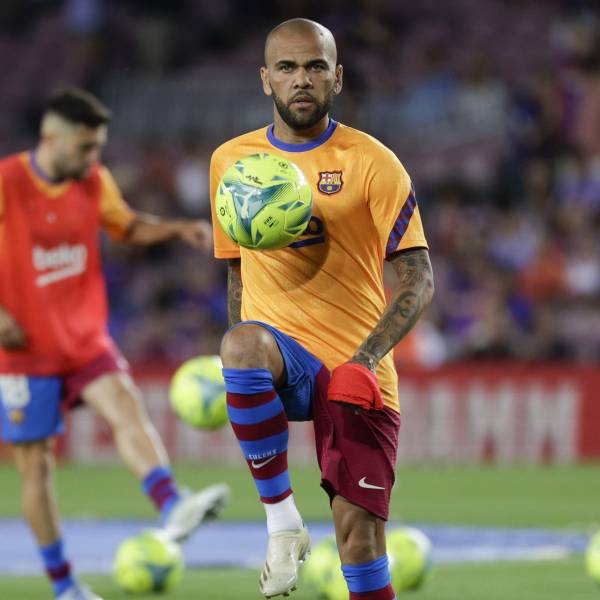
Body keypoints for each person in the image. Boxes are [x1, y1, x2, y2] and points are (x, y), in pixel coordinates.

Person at [209, 18, 434, 600]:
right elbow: (237, 272)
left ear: (337, 77)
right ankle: (281, 523)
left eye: (315, 66)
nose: (301, 79)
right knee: (240, 344)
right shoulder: (231, 163)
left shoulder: (373, 161)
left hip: (353, 368)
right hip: (284, 356)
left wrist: (366, 359)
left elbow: (418, 278)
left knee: (360, 544)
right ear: (266, 79)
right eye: (287, 67)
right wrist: (242, 368)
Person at [0, 88, 230, 600]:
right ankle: (65, 586)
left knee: (124, 403)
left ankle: (173, 504)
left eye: (98, 146)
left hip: (83, 336)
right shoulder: (7, 183)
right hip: (24, 353)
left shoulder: (93, 180)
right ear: (50, 139)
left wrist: (178, 229)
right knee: (36, 467)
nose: (94, 158)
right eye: (85, 147)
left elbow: (125, 225)